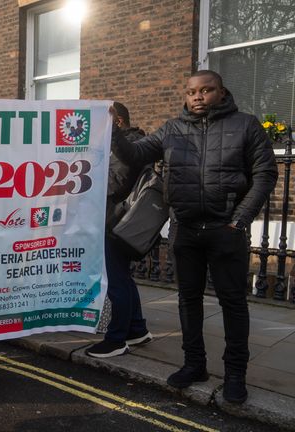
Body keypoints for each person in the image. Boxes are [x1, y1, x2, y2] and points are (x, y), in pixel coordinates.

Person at [111, 70, 278, 404]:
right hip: (185, 229)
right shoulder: (172, 129)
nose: (198, 96)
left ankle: (235, 375)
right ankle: (194, 364)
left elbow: (265, 174)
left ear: (221, 92)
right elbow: (136, 154)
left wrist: (240, 219)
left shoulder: (246, 125)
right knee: (188, 300)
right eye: (191, 92)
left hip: (226, 231)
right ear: (185, 96)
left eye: (206, 90)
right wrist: (112, 132)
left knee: (232, 303)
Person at [86, 102, 152, 358]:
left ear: (118, 122)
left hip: (116, 222)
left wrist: (84, 179)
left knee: (116, 282)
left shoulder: (130, 145)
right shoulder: (127, 143)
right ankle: (137, 329)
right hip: (117, 220)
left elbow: (117, 183)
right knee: (122, 277)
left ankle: (116, 339)